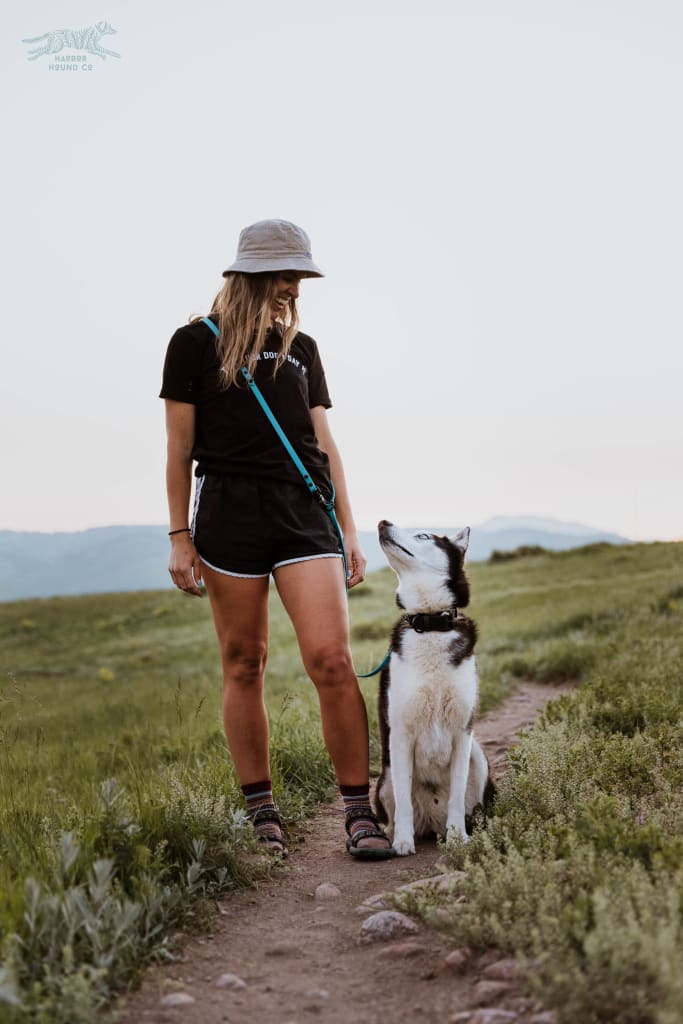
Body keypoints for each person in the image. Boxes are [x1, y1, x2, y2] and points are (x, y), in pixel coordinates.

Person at [159, 219, 394, 860]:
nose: (296, 286)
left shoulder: (304, 348)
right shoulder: (191, 344)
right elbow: (180, 451)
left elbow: (323, 443)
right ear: (253, 275)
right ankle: (261, 813)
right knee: (243, 662)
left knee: (332, 661)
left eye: (300, 274)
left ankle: (358, 812)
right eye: (287, 274)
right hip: (228, 513)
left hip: (302, 512)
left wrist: (349, 527)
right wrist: (181, 536)